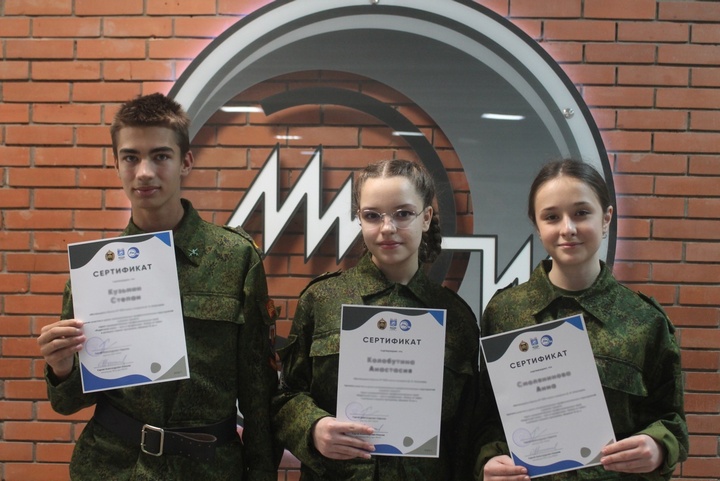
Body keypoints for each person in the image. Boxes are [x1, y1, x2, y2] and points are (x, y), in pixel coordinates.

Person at [37, 93, 281, 481]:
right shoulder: (96, 270)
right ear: (116, 164)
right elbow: (68, 404)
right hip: (113, 466)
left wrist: (261, 473)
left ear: (186, 162)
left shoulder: (234, 258)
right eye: (131, 157)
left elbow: (258, 391)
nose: (145, 172)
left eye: (161, 156)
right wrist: (61, 368)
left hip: (208, 469)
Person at [475, 159, 688, 481]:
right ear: (537, 225)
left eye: (581, 213)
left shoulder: (644, 320)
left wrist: (658, 446)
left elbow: (673, 418)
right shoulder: (505, 313)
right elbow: (485, 416)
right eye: (551, 217)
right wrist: (488, 460)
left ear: (606, 218)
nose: (567, 229)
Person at [272, 159, 480, 480]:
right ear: (359, 218)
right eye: (372, 216)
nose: (387, 228)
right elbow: (285, 395)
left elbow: (468, 432)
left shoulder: (456, 317)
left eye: (403, 214)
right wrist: (313, 427)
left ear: (426, 218)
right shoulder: (322, 300)